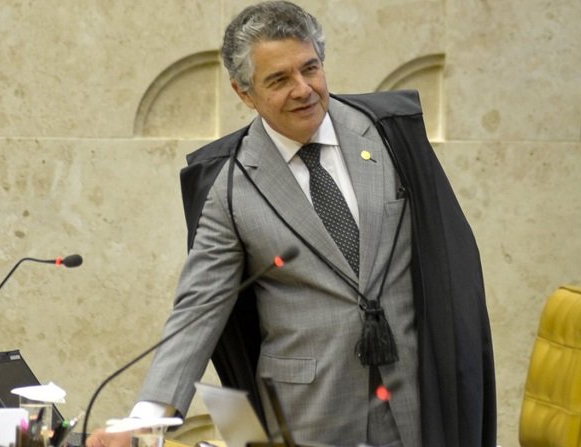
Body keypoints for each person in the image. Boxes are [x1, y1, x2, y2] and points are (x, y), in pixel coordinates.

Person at [88, 2, 496, 446]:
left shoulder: (388, 135)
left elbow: (446, 255)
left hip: (415, 394)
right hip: (310, 412)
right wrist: (145, 418)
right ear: (244, 93)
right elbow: (199, 308)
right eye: (279, 80)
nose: (303, 89)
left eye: (310, 69)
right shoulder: (231, 185)